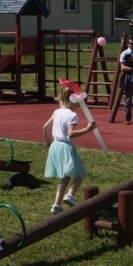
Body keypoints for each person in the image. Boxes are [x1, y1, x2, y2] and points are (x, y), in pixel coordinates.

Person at [43, 85, 97, 215]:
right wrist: (87, 129)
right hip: (66, 147)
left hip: (55, 146)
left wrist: (48, 141)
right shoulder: (72, 115)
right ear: (73, 100)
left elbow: (45, 127)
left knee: (65, 176)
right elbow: (71, 134)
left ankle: (56, 205)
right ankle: (70, 195)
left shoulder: (57, 112)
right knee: (80, 174)